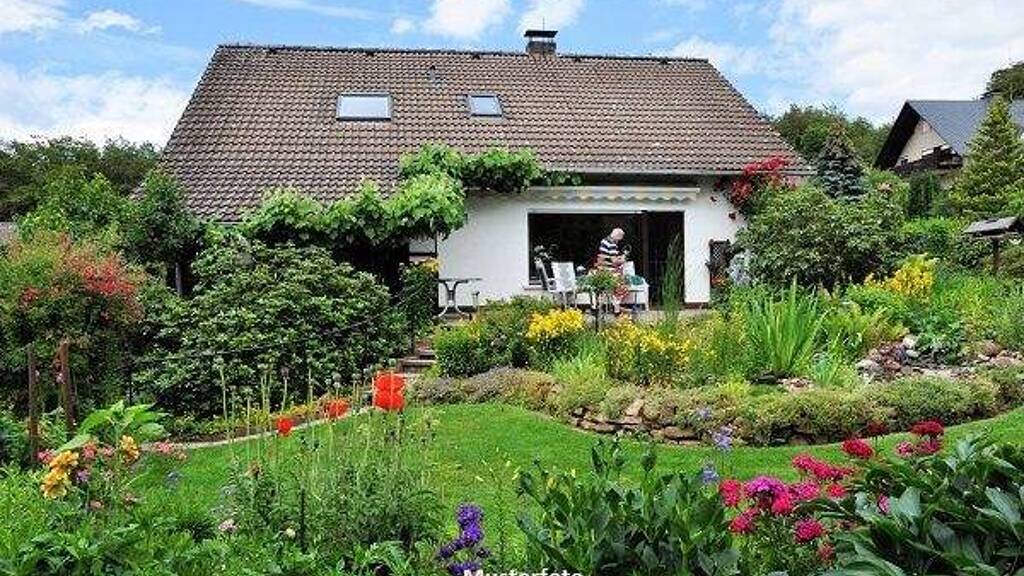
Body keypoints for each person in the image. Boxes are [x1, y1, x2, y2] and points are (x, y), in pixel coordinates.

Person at [595, 228, 629, 314]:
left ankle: (599, 306)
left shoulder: (604, 241)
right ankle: (616, 308)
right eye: (619, 239)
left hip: (601, 270)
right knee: (624, 284)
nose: (619, 241)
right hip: (609, 271)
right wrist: (623, 259)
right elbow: (614, 261)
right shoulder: (612, 244)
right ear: (618, 236)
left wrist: (618, 257)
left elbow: (607, 256)